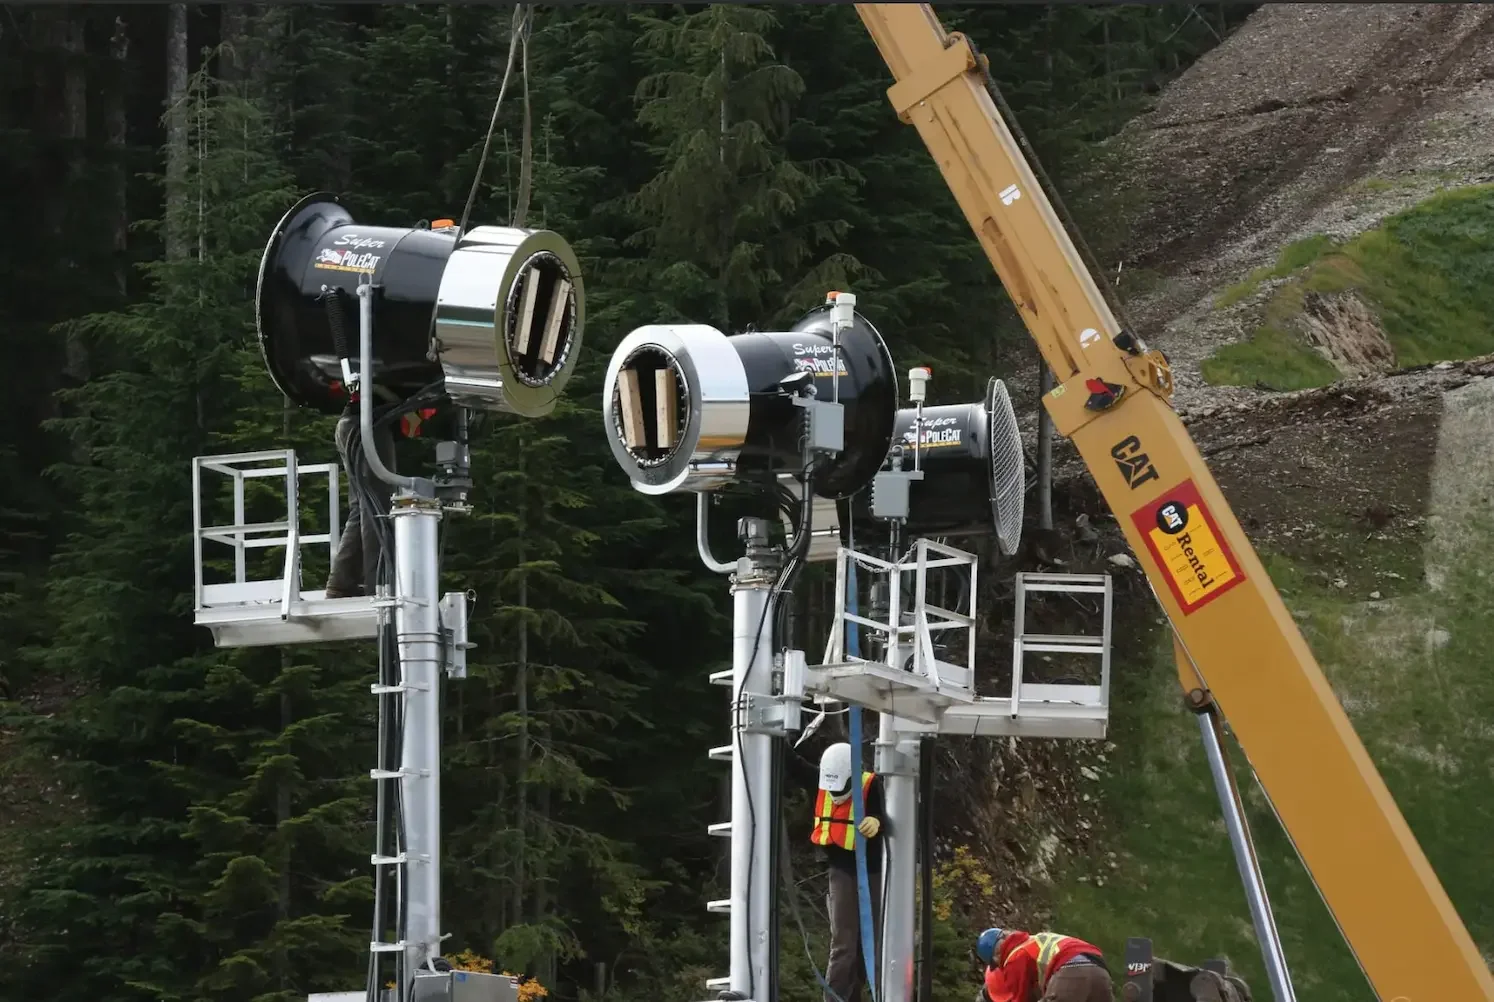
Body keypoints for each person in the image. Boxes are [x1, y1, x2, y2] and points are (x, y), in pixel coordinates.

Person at [810, 742, 885, 1002]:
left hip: (871, 871)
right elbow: (796, 767)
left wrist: (877, 820)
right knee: (843, 943)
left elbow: (891, 812)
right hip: (841, 869)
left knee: (868, 944)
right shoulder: (824, 782)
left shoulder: (871, 785)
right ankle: (835, 999)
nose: (836, 793)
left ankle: (856, 995)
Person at [325, 388, 397, 599]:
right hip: (367, 425)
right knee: (378, 506)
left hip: (351, 424)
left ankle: (342, 584)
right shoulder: (416, 385)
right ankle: (379, 586)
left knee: (363, 505)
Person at [976, 927, 1111, 1002]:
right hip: (1099, 969)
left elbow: (1022, 998)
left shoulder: (1014, 958)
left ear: (996, 956)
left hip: (1070, 969)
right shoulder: (1031, 941)